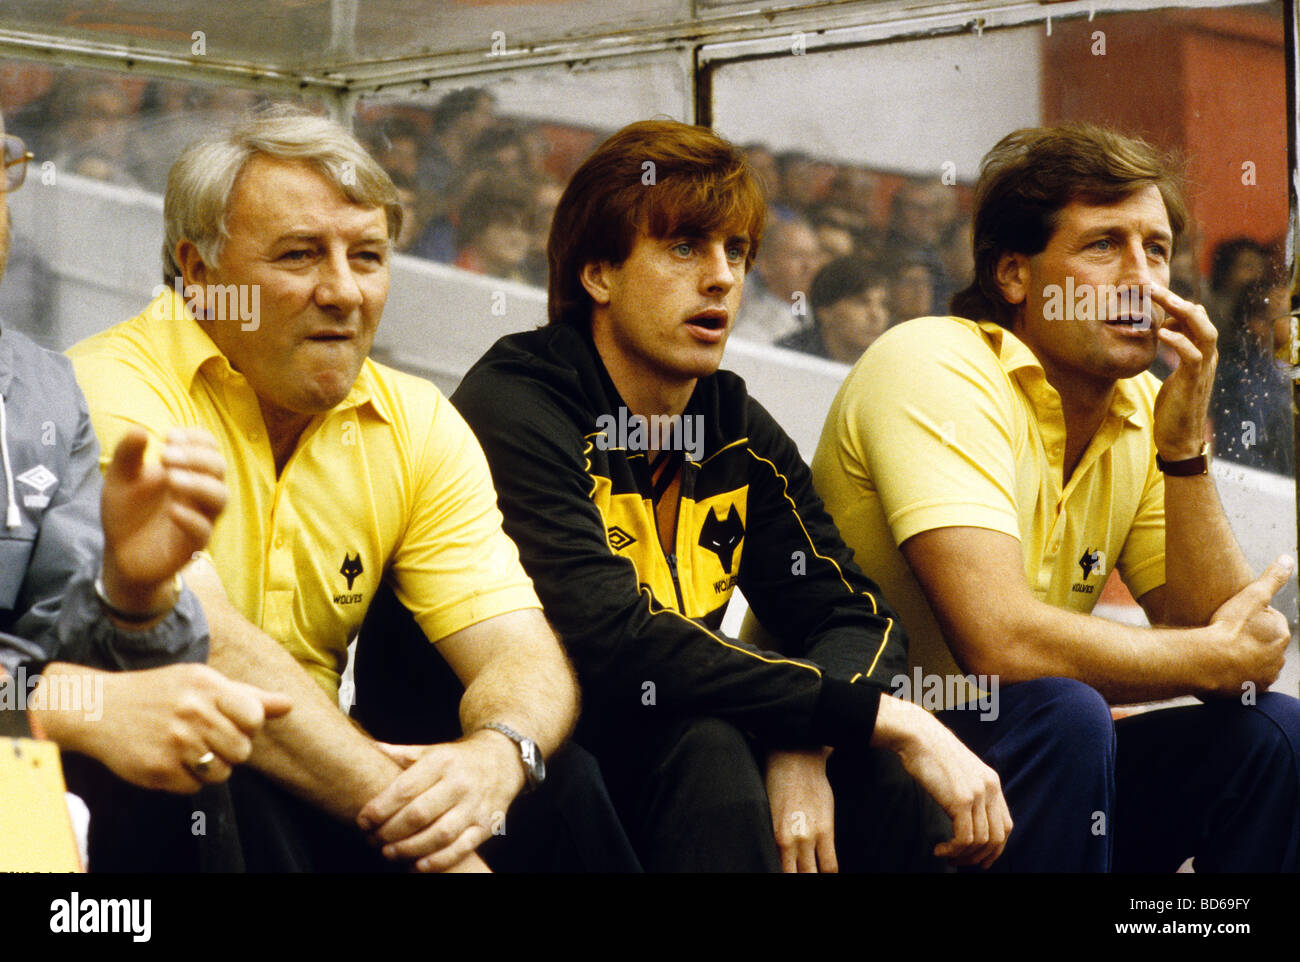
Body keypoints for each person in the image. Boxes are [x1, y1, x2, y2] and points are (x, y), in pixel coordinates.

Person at [444, 118, 1011, 872]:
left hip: (666, 744)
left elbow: (853, 614)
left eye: (736, 252)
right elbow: (615, 639)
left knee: (874, 767)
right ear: (598, 274)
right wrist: (877, 715)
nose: (721, 277)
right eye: (684, 248)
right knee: (714, 744)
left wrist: (807, 739)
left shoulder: (730, 423)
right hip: (513, 767)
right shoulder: (518, 405)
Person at [68, 105, 620, 873]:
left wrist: (498, 758)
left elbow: (521, 652)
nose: (343, 292)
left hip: (330, 782)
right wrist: (437, 839)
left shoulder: (416, 420)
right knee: (216, 765)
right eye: (299, 256)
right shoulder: (111, 384)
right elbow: (207, 646)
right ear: (199, 275)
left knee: (561, 780)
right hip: (152, 779)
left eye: (366, 256)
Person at [809, 122, 1300, 871]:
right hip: (864, 774)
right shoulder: (934, 362)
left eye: (1158, 249)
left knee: (1272, 736)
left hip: (1026, 773)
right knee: (1064, 714)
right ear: (1015, 276)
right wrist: (1209, 656)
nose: (1143, 279)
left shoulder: (1142, 402)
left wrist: (1183, 457)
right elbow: (1000, 642)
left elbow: (1219, 640)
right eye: (1104, 246)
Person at [0, 105, 286, 844]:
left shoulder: (41, 390)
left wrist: (133, 595)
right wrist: (63, 706)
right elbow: (62, 689)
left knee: (194, 741)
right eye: (296, 255)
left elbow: (57, 644)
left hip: (19, 773)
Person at [777, 256, 890, 365]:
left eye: (883, 304)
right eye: (861, 302)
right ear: (825, 312)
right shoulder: (785, 358)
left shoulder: (890, 366)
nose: (876, 315)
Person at [731, 216, 823, 344]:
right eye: (797, 256)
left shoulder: (824, 319)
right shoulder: (749, 328)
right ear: (765, 265)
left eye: (814, 256)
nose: (809, 266)